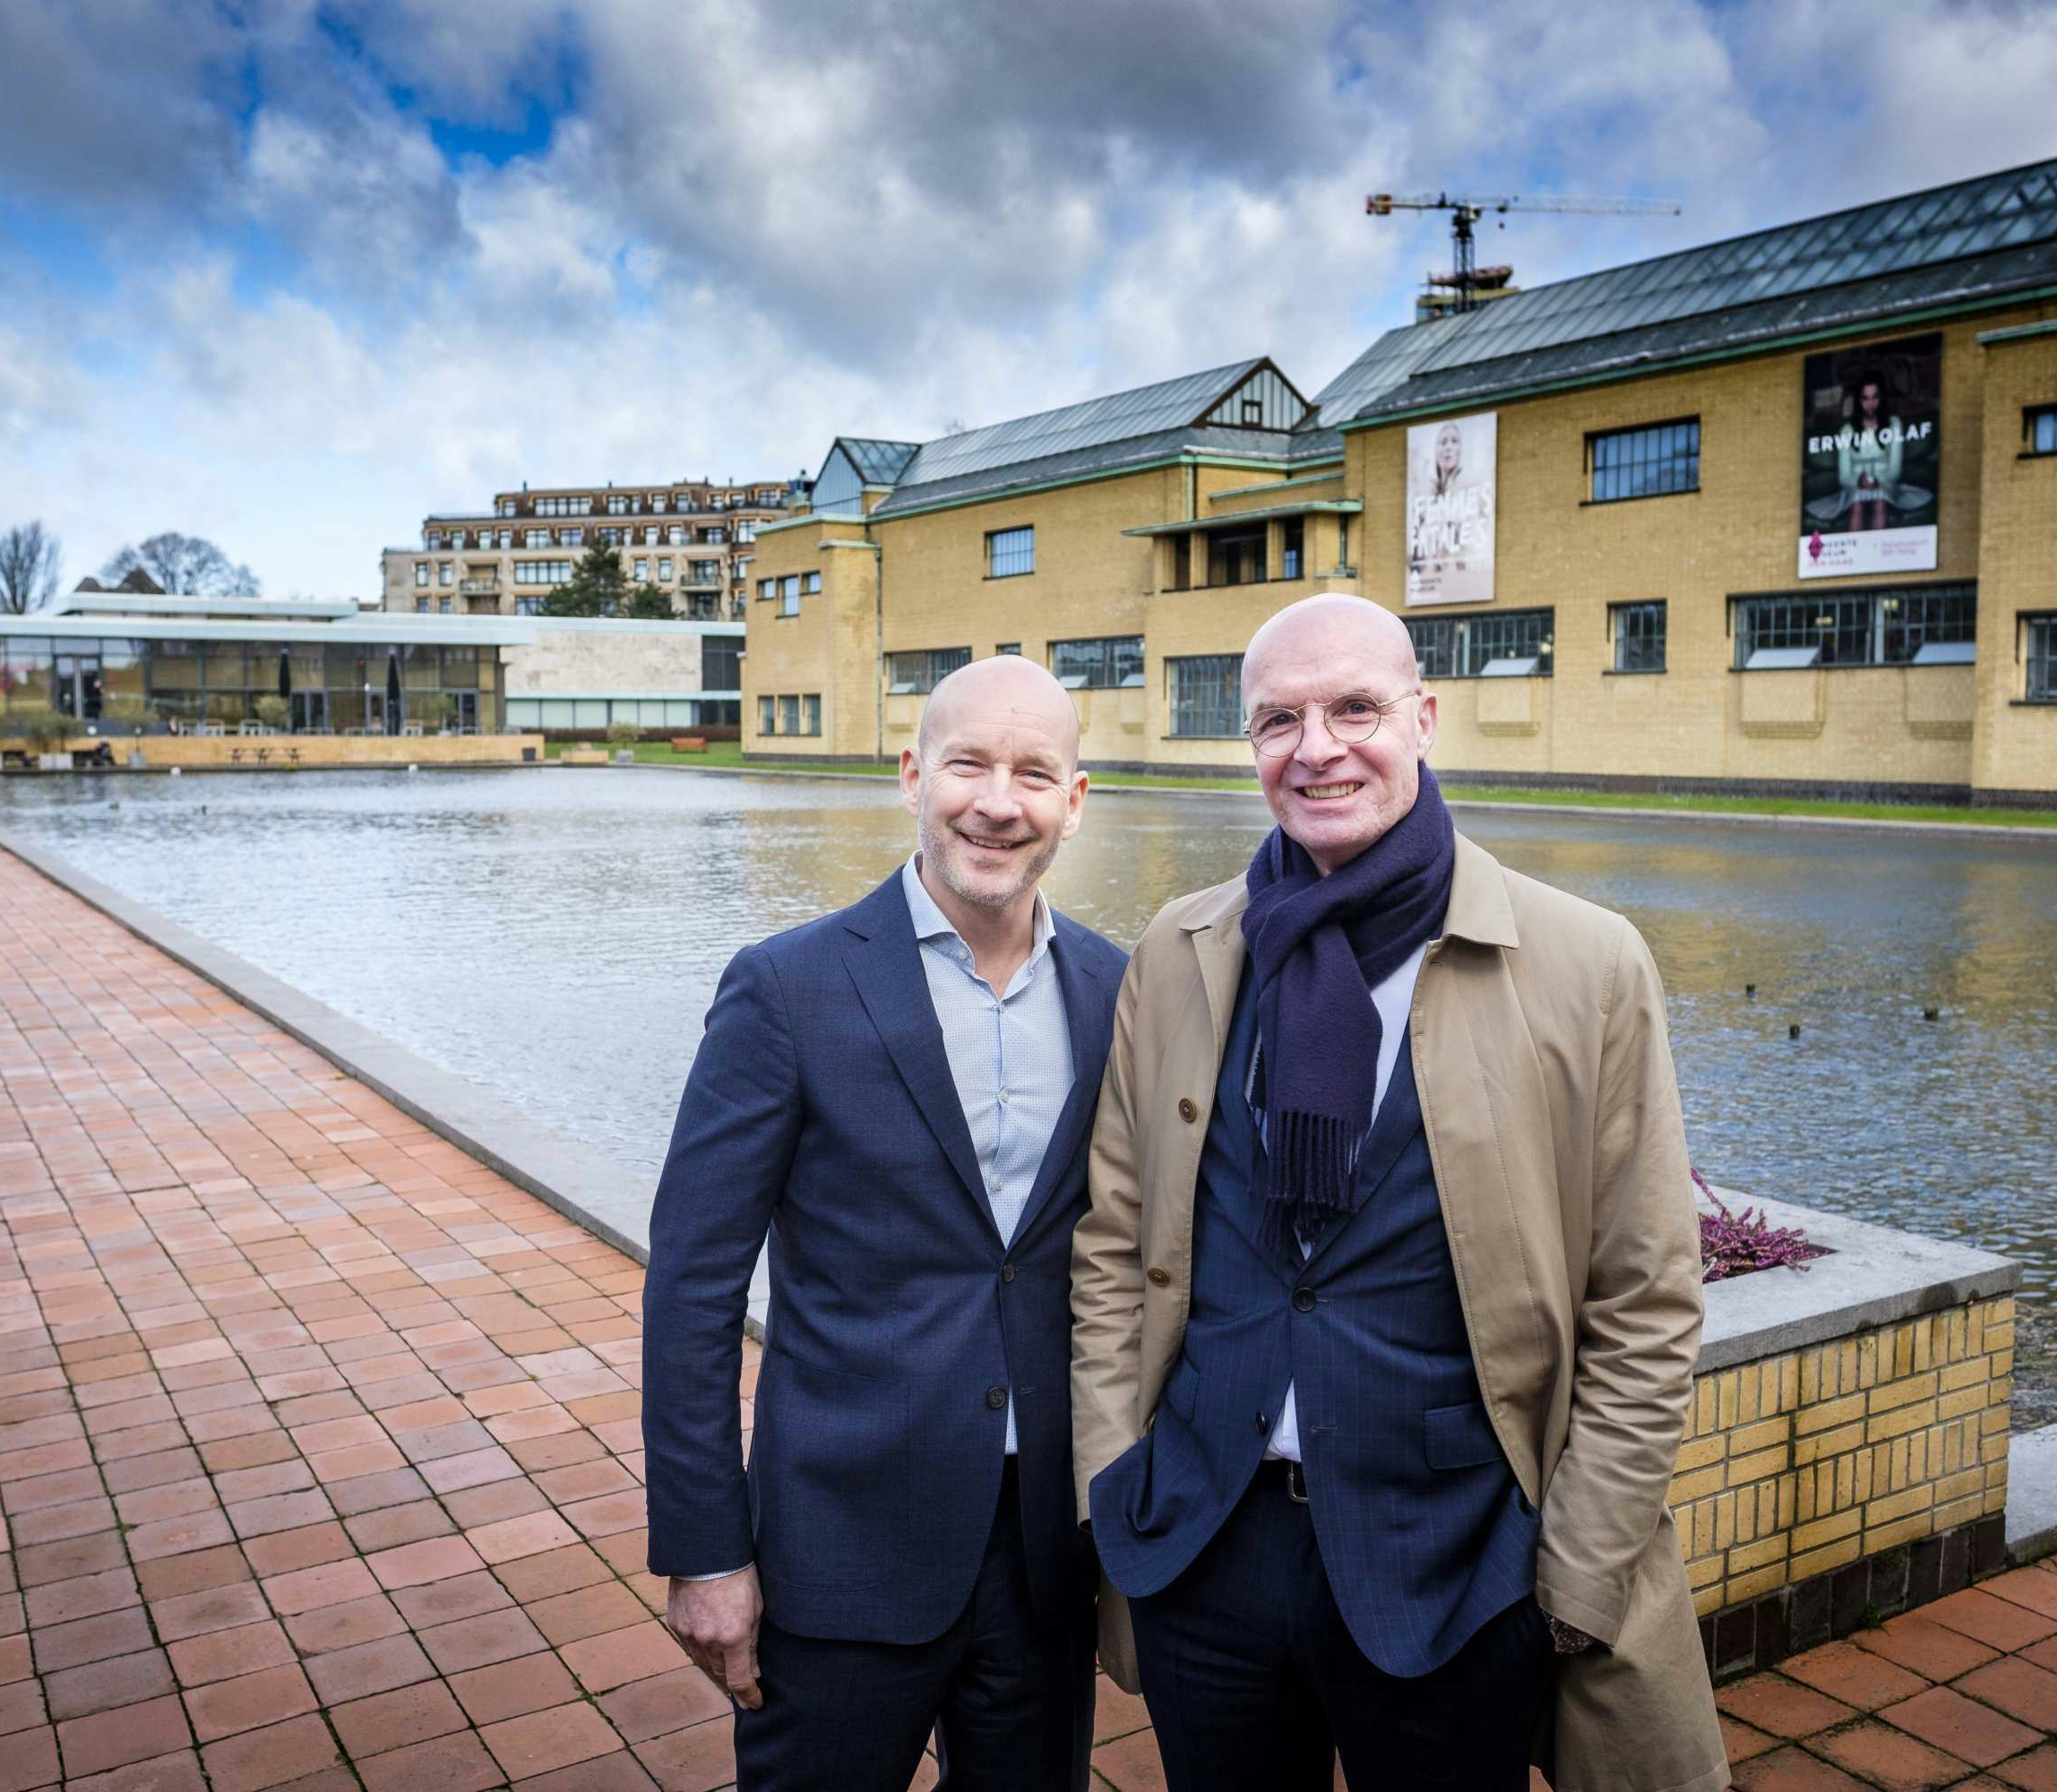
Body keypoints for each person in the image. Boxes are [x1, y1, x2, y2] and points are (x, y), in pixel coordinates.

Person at [1071, 593, 1727, 1792]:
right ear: (1250, 746)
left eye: (1355, 708)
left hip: (1457, 1563)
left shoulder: (1583, 963)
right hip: (1205, 1545)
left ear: (1424, 717)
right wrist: (1114, 1488)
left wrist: (1578, 1566)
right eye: (1278, 720)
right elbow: (1117, 1243)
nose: (1317, 748)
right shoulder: (1181, 949)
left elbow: (1644, 1299)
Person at [643, 654, 1128, 1791]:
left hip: (1050, 1551)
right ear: (912, 773)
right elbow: (694, 1289)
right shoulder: (786, 986)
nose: (996, 801)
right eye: (966, 763)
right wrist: (708, 1549)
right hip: (842, 1545)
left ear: (1074, 798)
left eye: (1032, 772)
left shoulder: (1120, 987)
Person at [1838, 371, 1901, 534]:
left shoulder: (1893, 425)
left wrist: (1878, 481)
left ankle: (1876, 556)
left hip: (1885, 484)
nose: (1870, 403)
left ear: (1881, 398)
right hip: (1856, 486)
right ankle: (1855, 558)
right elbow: (1844, 475)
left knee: (1880, 501)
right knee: (1857, 504)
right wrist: (1858, 482)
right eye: (1865, 398)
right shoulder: (1847, 430)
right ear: (1858, 401)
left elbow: (1895, 469)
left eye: (1875, 397)